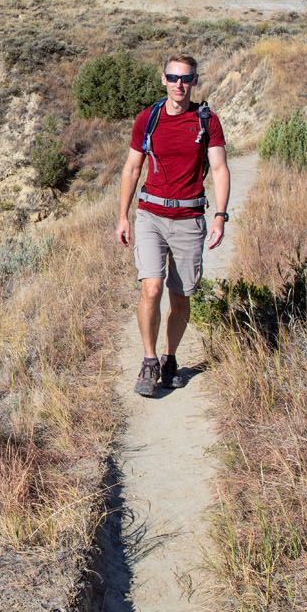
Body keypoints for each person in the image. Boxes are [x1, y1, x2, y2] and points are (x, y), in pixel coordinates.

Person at [115, 55, 231, 397]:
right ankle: (149, 360)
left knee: (181, 298)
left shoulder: (207, 121)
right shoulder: (147, 119)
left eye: (186, 79)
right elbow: (131, 169)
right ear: (163, 79)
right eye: (173, 77)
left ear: (194, 82)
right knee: (151, 288)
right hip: (151, 214)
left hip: (189, 218)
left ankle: (169, 358)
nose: (179, 84)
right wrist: (123, 216)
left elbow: (220, 169)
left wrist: (221, 216)